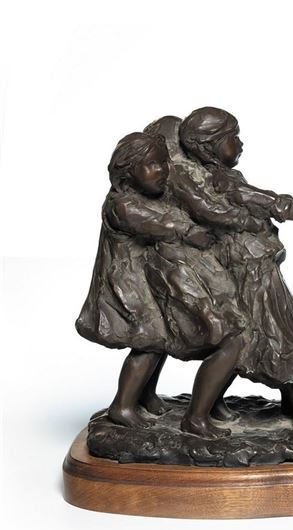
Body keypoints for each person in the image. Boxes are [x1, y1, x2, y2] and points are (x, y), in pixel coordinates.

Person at [175, 106, 293, 426]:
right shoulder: (220, 181)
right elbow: (262, 199)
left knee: (249, 341)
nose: (240, 143)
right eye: (232, 137)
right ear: (209, 146)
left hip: (251, 266)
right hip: (251, 270)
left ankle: (213, 406)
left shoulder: (213, 177)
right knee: (282, 332)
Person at [76, 132, 223, 430]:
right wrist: (188, 231)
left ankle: (145, 395)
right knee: (149, 340)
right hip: (125, 285)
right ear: (127, 171)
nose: (162, 170)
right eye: (152, 165)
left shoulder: (142, 197)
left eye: (164, 163)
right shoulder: (121, 205)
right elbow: (155, 223)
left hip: (142, 280)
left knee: (160, 339)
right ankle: (123, 405)